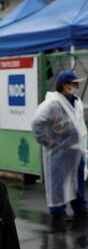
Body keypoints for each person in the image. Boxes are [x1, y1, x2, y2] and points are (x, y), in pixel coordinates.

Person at [32, 69, 87, 231]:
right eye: (74, 83)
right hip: (59, 150)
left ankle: (80, 205)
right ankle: (57, 210)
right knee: (58, 181)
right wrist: (47, 142)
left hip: (75, 149)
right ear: (65, 85)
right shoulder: (52, 104)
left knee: (77, 179)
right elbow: (37, 123)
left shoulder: (75, 101)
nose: (77, 86)